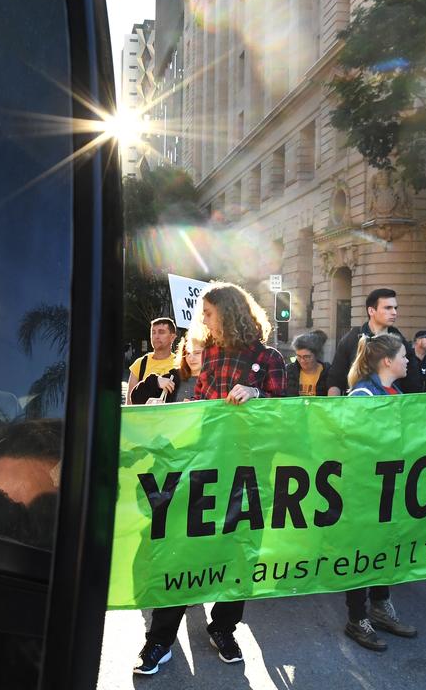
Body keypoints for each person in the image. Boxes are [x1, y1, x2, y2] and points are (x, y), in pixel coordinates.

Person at [134, 281, 286, 675]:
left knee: (239, 555)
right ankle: (160, 639)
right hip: (205, 470)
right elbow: (200, 408)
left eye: (208, 314)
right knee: (184, 550)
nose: (202, 321)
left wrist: (258, 396)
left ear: (231, 314)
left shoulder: (269, 359)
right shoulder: (212, 356)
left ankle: (223, 628)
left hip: (250, 474)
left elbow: (285, 418)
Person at [332, 333, 420, 650]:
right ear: (388, 361)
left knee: (385, 546)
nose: (407, 360)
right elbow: (351, 441)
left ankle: (381, 607)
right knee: (362, 552)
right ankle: (357, 618)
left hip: (389, 487)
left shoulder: (394, 391)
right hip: (364, 489)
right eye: (403, 355)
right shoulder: (362, 396)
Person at [325, 288, 423, 395]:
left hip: (394, 405)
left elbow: (413, 382)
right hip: (359, 405)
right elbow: (335, 380)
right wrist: (335, 409)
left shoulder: (400, 341)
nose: (394, 312)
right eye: (388, 308)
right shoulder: (352, 338)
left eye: (395, 308)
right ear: (371, 311)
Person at [127, 329, 204, 404]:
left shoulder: (214, 381)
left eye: (197, 353)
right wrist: (155, 382)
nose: (191, 358)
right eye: (188, 353)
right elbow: (135, 398)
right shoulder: (173, 378)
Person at [126, 317, 178, 401]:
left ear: (172, 337)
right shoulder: (140, 364)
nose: (156, 336)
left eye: (161, 332)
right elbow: (130, 404)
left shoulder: (180, 363)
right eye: (153, 332)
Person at [283, 331, 332, 397]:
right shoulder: (288, 371)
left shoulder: (328, 372)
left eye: (307, 357)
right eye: (299, 356)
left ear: (316, 355)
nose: (302, 361)